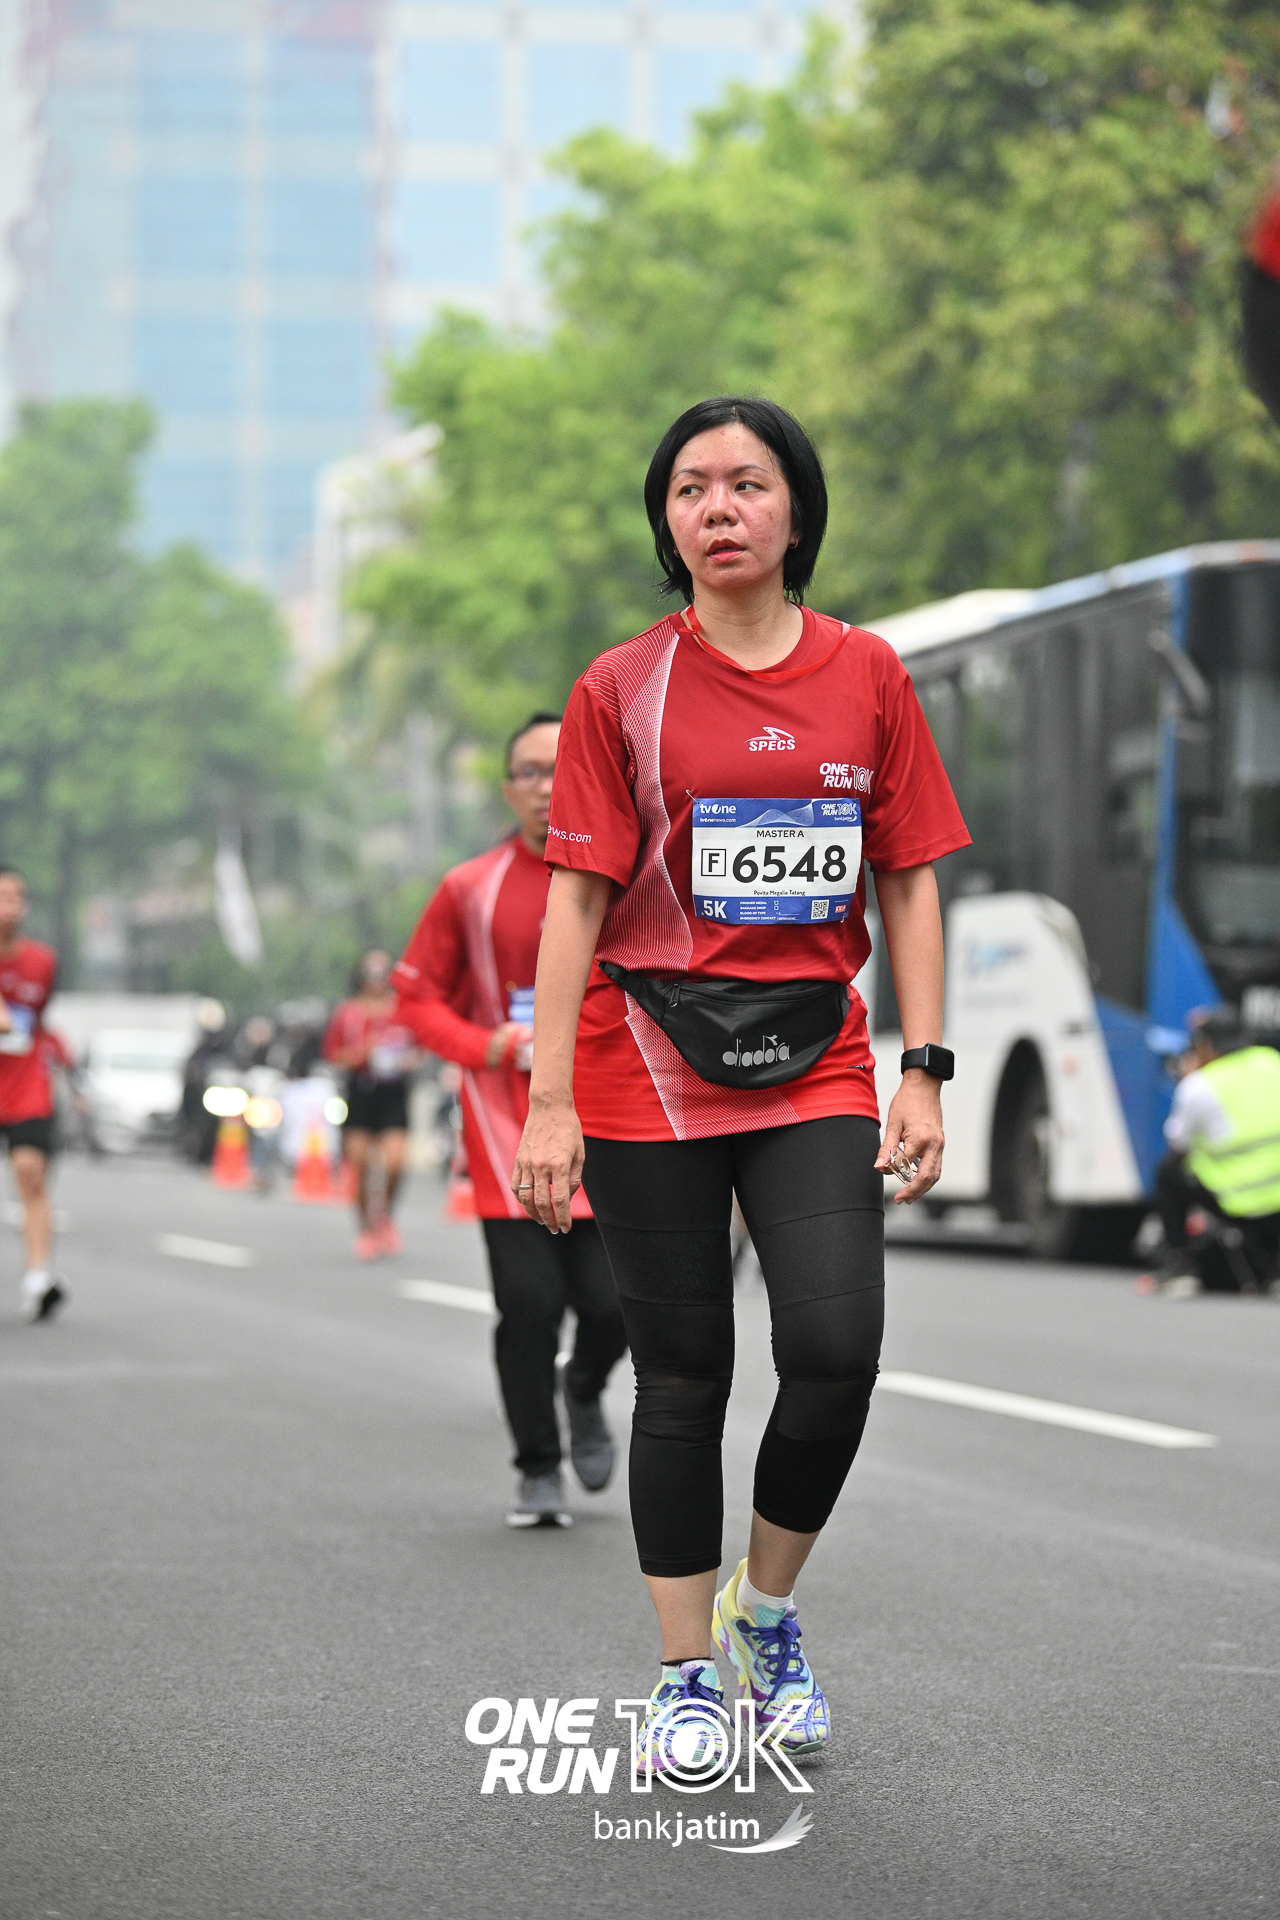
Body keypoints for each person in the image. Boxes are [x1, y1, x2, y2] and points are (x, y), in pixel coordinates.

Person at [513, 396, 969, 1771]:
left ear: (794, 509)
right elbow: (575, 899)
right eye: (691, 488)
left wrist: (923, 1069)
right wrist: (548, 1101)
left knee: (832, 1352)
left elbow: (908, 876)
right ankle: (683, 1677)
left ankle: (763, 1612)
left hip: (815, 1058)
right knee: (684, 1377)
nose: (718, 508)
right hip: (647, 1062)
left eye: (747, 484)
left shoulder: (867, 673)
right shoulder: (619, 688)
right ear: (667, 522)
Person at [392, 714, 630, 1529]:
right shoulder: (470, 887)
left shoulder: (628, 875)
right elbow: (416, 999)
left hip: (613, 1120)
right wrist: (486, 1044)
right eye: (530, 771)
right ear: (507, 788)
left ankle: (583, 1387)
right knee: (530, 1305)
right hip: (508, 1130)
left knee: (615, 1304)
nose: (547, 787)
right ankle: (537, 1467)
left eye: (563, 768)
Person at [1152, 1008, 1280, 1297]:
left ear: (1206, 1045)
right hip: (1278, 1200)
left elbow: (1177, 1144)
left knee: (1168, 1171)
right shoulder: (1272, 1062)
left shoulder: (1199, 1084)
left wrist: (1186, 1078)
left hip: (1236, 1201)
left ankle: (1181, 1266)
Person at [0, 867, 67, 1323]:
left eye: (17, 896)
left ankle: (38, 1277)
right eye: (2, 896)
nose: (10, 905)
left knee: (31, 1172)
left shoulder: (42, 961)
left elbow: (35, 1022)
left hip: (24, 1085)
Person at [322, 951, 417, 1258]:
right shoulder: (347, 1012)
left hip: (393, 1092)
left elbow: (422, 1046)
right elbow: (333, 1055)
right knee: (360, 1163)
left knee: (395, 1161)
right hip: (361, 1091)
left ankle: (384, 1215)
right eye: (371, 974)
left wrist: (407, 1061)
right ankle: (365, 1228)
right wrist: (362, 1054)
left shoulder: (402, 1009)